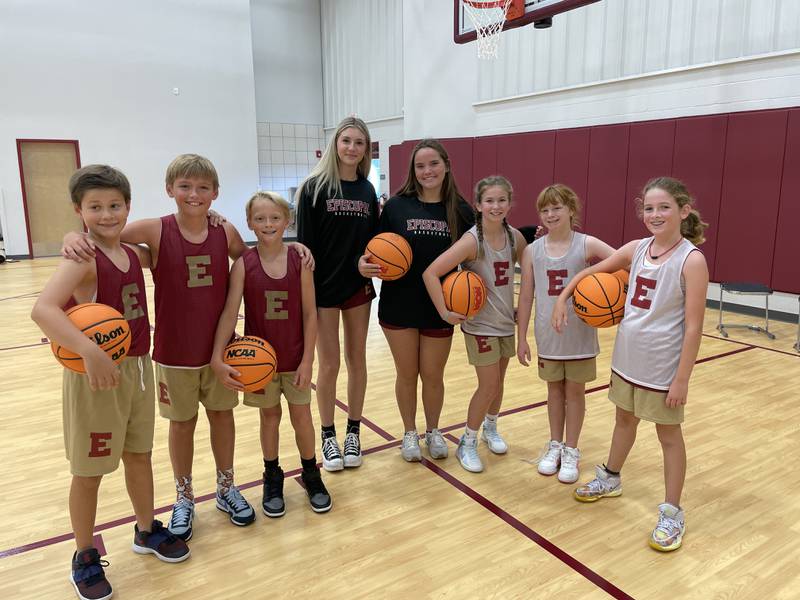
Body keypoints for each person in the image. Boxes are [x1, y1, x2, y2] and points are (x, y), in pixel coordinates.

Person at [61, 155, 304, 541]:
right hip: (173, 352)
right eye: (185, 186)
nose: (194, 194)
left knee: (223, 418)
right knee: (182, 424)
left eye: (203, 187)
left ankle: (226, 488)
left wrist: (297, 249)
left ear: (215, 193)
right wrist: (72, 236)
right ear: (169, 190)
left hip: (221, 351)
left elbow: (255, 259)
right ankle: (184, 496)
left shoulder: (223, 233)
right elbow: (108, 236)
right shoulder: (157, 230)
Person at [32, 165, 190, 600]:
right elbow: (44, 310)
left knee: (139, 456)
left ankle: (145, 529)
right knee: (89, 472)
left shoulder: (127, 251)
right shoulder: (81, 258)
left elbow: (166, 237)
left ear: (128, 206)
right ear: (78, 211)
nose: (106, 215)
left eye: (114, 205)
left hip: (137, 369)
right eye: (95, 207)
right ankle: (83, 555)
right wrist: (90, 352)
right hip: (96, 378)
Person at [552, 176, 709, 552]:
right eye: (649, 208)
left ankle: (672, 511)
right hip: (627, 358)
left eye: (664, 207)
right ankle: (612, 476)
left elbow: (693, 327)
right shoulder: (637, 248)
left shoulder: (692, 260)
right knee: (624, 419)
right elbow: (592, 272)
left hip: (663, 366)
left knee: (669, 436)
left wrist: (682, 378)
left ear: (683, 211)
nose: (655, 214)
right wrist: (563, 299)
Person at [210, 191, 331, 515]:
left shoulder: (299, 261)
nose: (268, 224)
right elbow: (229, 312)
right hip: (259, 364)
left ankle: (311, 473)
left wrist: (308, 360)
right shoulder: (244, 265)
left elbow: (310, 314)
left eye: (274, 218)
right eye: (260, 219)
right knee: (270, 418)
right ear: (249, 223)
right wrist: (218, 355)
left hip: (295, 359)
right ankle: (272, 475)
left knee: (302, 417)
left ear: (287, 221)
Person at [360, 139, 474, 462]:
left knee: (433, 375)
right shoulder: (396, 206)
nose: (427, 171)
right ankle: (410, 432)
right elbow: (374, 248)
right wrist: (366, 263)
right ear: (413, 170)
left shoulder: (461, 210)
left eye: (433, 164)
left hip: (442, 306)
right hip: (399, 303)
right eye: (420, 166)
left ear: (446, 166)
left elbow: (488, 243)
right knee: (407, 374)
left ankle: (433, 430)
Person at [422, 175, 526, 473]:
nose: (496, 206)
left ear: (509, 203)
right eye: (489, 200)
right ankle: (467, 441)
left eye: (502, 200)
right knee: (488, 384)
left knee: (499, 383)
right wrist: (444, 311)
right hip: (480, 325)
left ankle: (490, 428)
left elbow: (526, 276)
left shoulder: (515, 237)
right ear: (478, 205)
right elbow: (431, 273)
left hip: (506, 322)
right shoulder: (472, 240)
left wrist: (519, 309)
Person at [296, 116, 379, 472]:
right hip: (323, 288)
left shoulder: (367, 190)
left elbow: (375, 244)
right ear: (336, 144)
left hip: (357, 287)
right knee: (328, 364)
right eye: (347, 140)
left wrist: (369, 262)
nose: (352, 148)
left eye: (359, 143)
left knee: (356, 361)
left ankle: (353, 433)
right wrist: (307, 293)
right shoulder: (314, 187)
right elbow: (304, 247)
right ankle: (328, 435)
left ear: (365, 150)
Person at [517, 184, 614, 483]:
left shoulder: (587, 244)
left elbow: (623, 262)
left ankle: (571, 449)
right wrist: (521, 337)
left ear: (571, 209)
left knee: (575, 391)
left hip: (579, 333)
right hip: (547, 332)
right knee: (553, 391)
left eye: (557, 207)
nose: (550, 214)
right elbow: (526, 295)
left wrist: (611, 297)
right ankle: (555, 445)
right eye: (544, 210)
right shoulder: (532, 250)